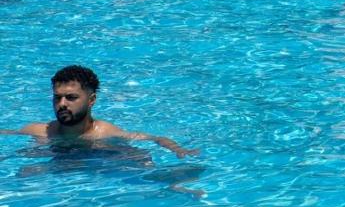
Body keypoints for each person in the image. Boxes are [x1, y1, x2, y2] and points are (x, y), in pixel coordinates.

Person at [0, 65, 198, 158]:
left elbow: (155, 138)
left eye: (71, 97)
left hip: (96, 161)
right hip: (56, 166)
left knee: (140, 158)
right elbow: (7, 133)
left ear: (91, 100)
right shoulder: (39, 131)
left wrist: (179, 150)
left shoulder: (105, 133)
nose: (62, 104)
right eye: (57, 97)